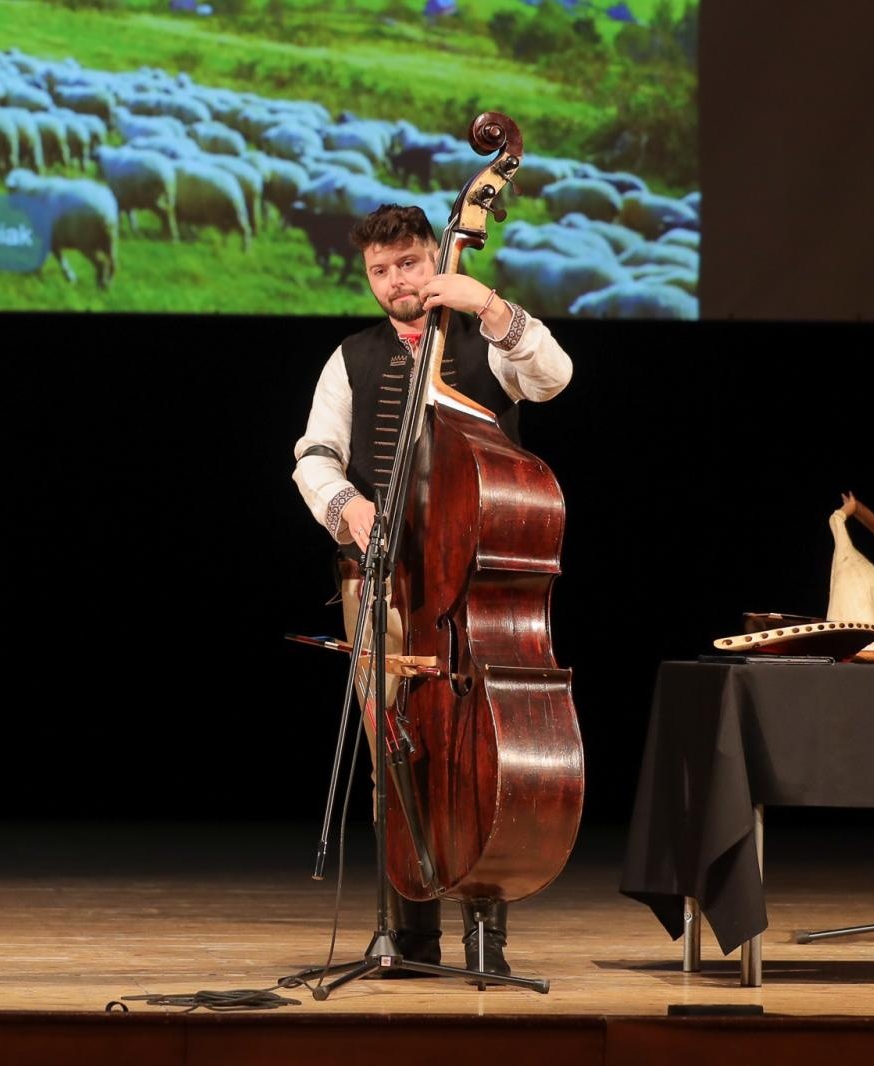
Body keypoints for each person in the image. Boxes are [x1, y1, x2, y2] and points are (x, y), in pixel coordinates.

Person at [291, 205, 573, 976]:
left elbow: (553, 377)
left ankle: (488, 932)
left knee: (483, 757)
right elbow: (313, 455)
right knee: (395, 759)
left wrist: (490, 306)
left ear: (434, 260)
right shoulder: (352, 356)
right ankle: (411, 937)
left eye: (410, 265)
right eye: (381, 271)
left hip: (472, 591)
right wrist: (345, 506)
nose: (396, 283)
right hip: (382, 587)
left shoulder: (486, 343)